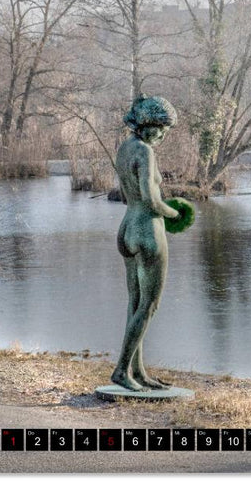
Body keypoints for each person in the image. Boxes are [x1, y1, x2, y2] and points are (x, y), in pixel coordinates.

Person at [111, 95, 180, 391]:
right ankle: (121, 370)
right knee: (150, 305)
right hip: (148, 232)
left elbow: (130, 196)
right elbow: (152, 200)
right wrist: (175, 212)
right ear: (149, 125)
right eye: (162, 129)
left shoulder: (124, 148)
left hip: (126, 228)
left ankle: (137, 371)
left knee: (135, 302)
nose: (164, 135)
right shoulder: (145, 151)